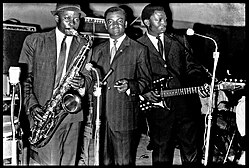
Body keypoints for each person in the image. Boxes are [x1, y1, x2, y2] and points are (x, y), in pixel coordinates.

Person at [18, 3, 92, 165]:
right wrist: (32, 106)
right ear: (56, 17)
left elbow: (88, 78)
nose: (72, 23)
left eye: (76, 19)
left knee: (70, 161)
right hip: (45, 112)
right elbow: (25, 79)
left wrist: (82, 82)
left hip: (71, 113)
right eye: (67, 18)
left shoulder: (84, 45)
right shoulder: (35, 41)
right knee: (51, 162)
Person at [137, 3, 210, 166]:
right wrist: (144, 92)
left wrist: (200, 83)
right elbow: (134, 77)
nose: (164, 23)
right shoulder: (137, 45)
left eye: (166, 19)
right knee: (161, 152)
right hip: (158, 108)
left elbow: (194, 68)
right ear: (147, 22)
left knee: (191, 151)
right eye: (159, 19)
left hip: (186, 106)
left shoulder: (180, 40)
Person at [89, 6, 152, 165]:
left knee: (124, 162)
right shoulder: (97, 50)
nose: (115, 25)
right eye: (110, 21)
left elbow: (146, 81)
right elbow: (91, 80)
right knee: (102, 160)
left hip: (124, 118)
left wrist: (130, 85)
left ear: (126, 24)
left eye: (119, 21)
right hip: (100, 117)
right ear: (105, 24)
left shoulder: (139, 49)